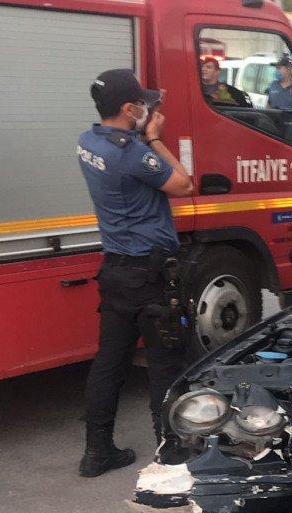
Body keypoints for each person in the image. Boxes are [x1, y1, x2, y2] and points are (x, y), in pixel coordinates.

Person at [76, 69, 194, 477]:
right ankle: (171, 454)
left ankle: (96, 452)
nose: (149, 108)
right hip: (150, 274)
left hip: (115, 270)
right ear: (130, 109)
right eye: (143, 103)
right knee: (166, 364)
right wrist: (156, 138)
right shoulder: (129, 152)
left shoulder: (88, 142)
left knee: (109, 362)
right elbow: (183, 185)